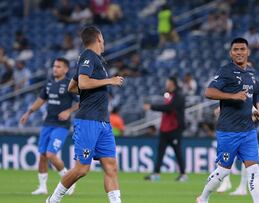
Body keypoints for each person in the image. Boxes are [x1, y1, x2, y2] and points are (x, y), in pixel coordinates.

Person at [46, 26, 124, 203]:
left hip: (103, 121)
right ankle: (53, 200)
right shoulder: (88, 56)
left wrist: (90, 91)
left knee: (111, 167)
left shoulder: (94, 60)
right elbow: (83, 82)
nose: (103, 42)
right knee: (82, 169)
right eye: (102, 38)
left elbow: (72, 87)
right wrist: (109, 80)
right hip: (89, 120)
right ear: (98, 38)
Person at [196, 38, 259, 203]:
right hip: (228, 130)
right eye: (236, 50)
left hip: (248, 130)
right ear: (230, 53)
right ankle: (203, 198)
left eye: (242, 49)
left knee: (254, 170)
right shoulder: (226, 71)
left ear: (248, 52)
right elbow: (209, 92)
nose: (239, 52)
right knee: (223, 171)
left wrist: (255, 111)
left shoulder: (250, 75)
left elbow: (247, 99)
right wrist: (232, 96)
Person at [19, 58, 79, 195]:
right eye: (54, 66)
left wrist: (68, 111)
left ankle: (69, 181)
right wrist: (28, 112)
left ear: (66, 69)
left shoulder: (70, 84)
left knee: (51, 154)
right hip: (47, 123)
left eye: (58, 66)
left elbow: (81, 102)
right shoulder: (49, 83)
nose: (55, 69)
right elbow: (41, 100)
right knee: (42, 155)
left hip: (61, 126)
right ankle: (42, 187)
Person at [217, 76, 259, 196]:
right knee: (227, 155)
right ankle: (227, 182)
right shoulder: (236, 81)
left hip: (248, 125)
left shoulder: (256, 84)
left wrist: (251, 118)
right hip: (233, 125)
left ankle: (242, 186)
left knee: (249, 159)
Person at [143, 76, 187, 182]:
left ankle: (183, 174)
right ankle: (156, 174)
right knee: (160, 152)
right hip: (165, 129)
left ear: (173, 83)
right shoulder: (169, 95)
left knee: (177, 152)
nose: (166, 84)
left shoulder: (179, 96)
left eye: (168, 82)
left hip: (175, 129)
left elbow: (169, 108)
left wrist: (152, 107)